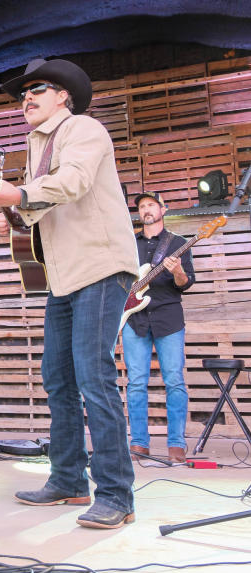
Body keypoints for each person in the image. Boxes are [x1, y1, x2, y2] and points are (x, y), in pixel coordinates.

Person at [0, 58, 139, 529]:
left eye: (38, 89)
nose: (26, 98)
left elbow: (73, 182)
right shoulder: (38, 148)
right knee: (58, 380)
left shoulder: (84, 129)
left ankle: (117, 495)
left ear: (64, 96)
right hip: (64, 276)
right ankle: (69, 480)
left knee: (94, 378)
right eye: (22, 93)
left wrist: (20, 198)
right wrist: (14, 214)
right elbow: (44, 206)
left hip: (99, 264)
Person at [122, 191, 194, 463]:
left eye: (151, 205)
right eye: (142, 207)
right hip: (135, 318)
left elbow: (185, 284)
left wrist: (176, 271)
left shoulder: (178, 244)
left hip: (168, 318)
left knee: (174, 380)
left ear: (163, 209)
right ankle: (139, 443)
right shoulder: (128, 243)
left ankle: (176, 444)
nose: (147, 210)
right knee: (136, 382)